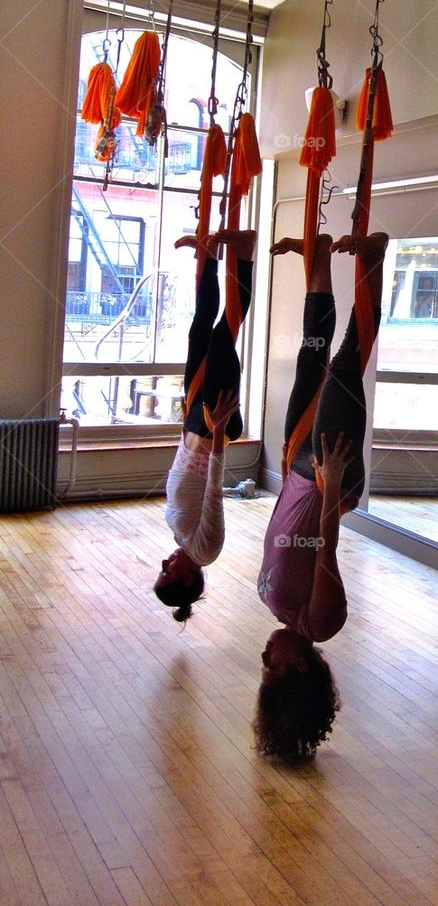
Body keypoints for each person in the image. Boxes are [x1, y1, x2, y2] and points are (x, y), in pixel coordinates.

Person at [255, 230, 388, 763]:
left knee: (312, 353)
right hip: (327, 478)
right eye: (273, 667)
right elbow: (326, 549)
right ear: (302, 667)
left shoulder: (274, 607)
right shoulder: (319, 623)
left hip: (296, 468)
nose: (265, 656)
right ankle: (374, 260)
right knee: (347, 362)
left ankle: (320, 254)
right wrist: (333, 488)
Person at [154, 228, 256, 622]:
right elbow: (213, 491)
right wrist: (215, 433)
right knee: (222, 333)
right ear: (184, 579)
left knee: (200, 328)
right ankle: (243, 255)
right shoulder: (206, 549)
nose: (165, 562)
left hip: (194, 429)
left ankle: (210, 254)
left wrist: (188, 428)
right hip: (213, 429)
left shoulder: (184, 542)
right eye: (167, 572)